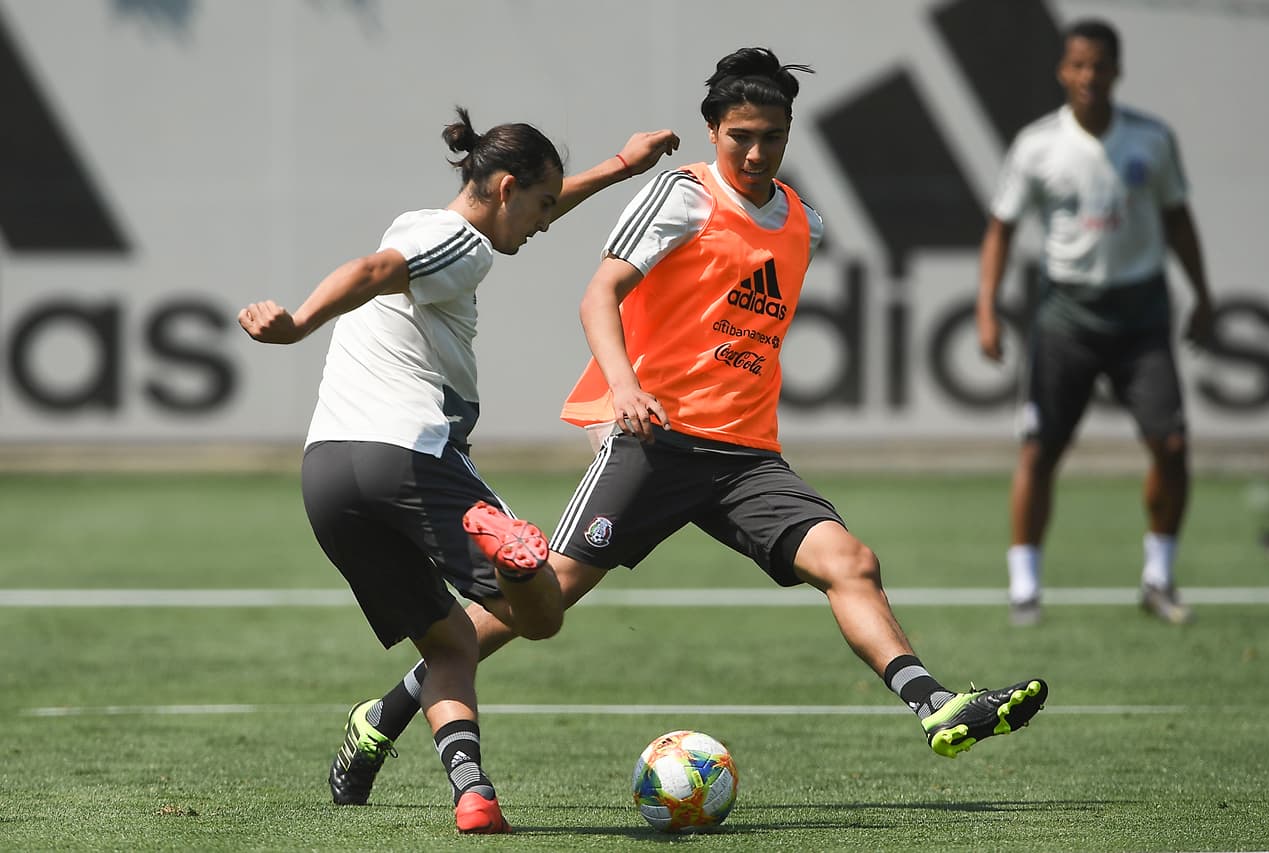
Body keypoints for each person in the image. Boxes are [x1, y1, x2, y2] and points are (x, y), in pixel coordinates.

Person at [327, 46, 1049, 810]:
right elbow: (599, 295)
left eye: (772, 135)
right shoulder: (681, 196)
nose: (757, 150)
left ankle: (934, 705)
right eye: (741, 135)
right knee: (541, 597)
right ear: (713, 131)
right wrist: (627, 389)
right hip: (654, 443)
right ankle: (386, 712)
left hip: (746, 457)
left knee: (852, 561)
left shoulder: (804, 221)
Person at [237, 109, 680, 833]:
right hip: (407, 455)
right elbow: (372, 272)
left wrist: (620, 169)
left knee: (450, 641)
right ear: (505, 189)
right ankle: (511, 555)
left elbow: (503, 217)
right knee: (540, 611)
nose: (543, 224)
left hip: (326, 474)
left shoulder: (429, 224)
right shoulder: (462, 243)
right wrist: (299, 323)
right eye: (539, 206)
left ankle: (472, 791)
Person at [975, 19, 1215, 627]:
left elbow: (1179, 220)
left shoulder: (1151, 141)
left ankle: (1158, 578)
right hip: (1066, 316)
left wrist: (1204, 296)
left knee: (1173, 446)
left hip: (1141, 315)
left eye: (1099, 65)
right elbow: (1001, 228)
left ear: (1116, 70)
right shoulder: (1037, 145)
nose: (1088, 76)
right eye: (1077, 65)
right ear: (1063, 70)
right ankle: (1024, 586)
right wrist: (986, 308)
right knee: (1040, 450)